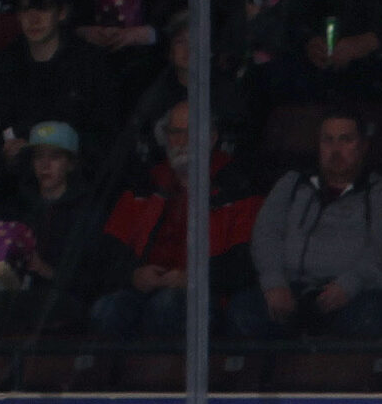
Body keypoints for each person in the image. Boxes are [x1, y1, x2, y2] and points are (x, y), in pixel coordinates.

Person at [90, 98, 262, 337]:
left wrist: (193, 278)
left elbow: (245, 263)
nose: (181, 142)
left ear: (211, 139)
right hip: (145, 291)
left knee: (167, 306)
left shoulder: (236, 186)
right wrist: (134, 275)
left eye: (191, 133)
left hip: (208, 294)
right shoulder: (145, 185)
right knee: (107, 310)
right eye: (175, 133)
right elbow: (107, 253)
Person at [234, 108, 382, 339]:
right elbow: (265, 234)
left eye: (345, 140)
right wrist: (274, 283)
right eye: (328, 140)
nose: (336, 150)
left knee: (372, 317)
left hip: (354, 293)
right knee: (242, 311)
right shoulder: (291, 184)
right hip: (289, 289)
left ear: (363, 146)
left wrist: (349, 285)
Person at [0, 0, 119, 160]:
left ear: (62, 13)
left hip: (77, 172)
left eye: (43, 7)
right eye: (25, 9)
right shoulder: (4, 65)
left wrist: (48, 148)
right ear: (18, 16)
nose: (33, 18)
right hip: (19, 172)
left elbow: (107, 133)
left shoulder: (90, 63)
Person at [0, 120, 104, 329]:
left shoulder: (86, 212)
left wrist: (45, 270)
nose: (45, 165)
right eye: (38, 157)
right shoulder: (19, 207)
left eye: (54, 156)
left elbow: (94, 280)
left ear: (70, 163)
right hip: (15, 298)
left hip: (64, 304)